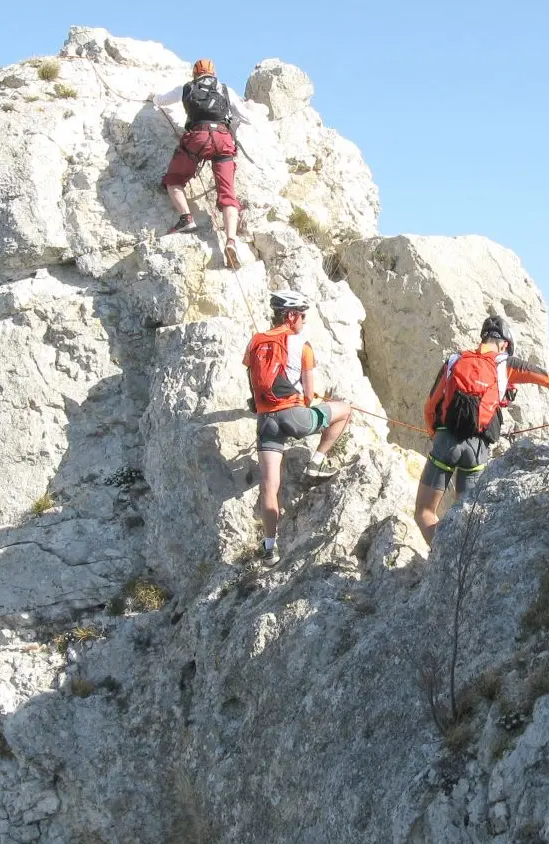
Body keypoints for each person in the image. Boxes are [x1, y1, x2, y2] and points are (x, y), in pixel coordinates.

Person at [414, 316, 549, 543]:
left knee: (425, 512)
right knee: (466, 524)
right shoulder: (506, 364)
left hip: (446, 443)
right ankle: (456, 565)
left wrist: (437, 437)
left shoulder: (454, 360)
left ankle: (438, 558)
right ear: (504, 345)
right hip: (477, 451)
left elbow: (430, 406)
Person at [243, 291, 353, 565]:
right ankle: (316, 461)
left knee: (270, 486)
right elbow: (308, 394)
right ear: (291, 316)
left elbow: (252, 383)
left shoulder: (255, 342)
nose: (304, 321)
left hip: (266, 420)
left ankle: (269, 548)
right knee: (345, 410)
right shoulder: (301, 344)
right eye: (303, 316)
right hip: (294, 416)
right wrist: (309, 400)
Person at [151, 58, 250, 268]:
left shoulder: (187, 88)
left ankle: (186, 218)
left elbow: (161, 100)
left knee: (174, 180)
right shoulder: (224, 89)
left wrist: (153, 98)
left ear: (195, 74)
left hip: (198, 138)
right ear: (213, 74)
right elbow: (245, 117)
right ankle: (231, 240)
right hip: (223, 140)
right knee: (228, 195)